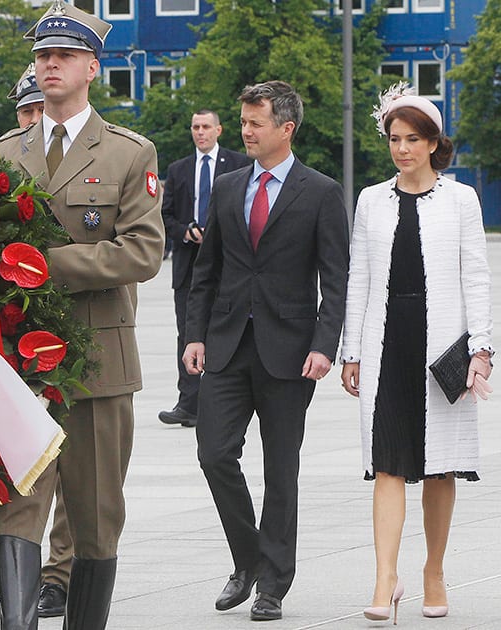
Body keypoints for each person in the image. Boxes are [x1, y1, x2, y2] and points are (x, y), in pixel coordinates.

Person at [0, 3, 164, 628]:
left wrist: (44, 264)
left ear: (92, 67)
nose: (50, 64)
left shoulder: (127, 152)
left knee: (95, 517)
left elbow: (144, 252)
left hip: (97, 361)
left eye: (62, 55)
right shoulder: (3, 154)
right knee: (16, 509)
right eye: (41, 55)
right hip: (19, 364)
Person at [183, 81, 349, 621]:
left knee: (281, 471)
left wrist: (326, 345)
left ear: (286, 128)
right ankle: (249, 558)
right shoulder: (228, 188)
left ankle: (273, 583)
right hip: (228, 347)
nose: (246, 132)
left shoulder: (321, 192)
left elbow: (336, 278)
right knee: (213, 455)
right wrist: (195, 334)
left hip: (290, 354)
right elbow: (206, 272)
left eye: (256, 123)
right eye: (244, 122)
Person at [340, 85, 494, 623]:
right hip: (387, 342)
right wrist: (350, 351)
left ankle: (433, 570)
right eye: (393, 139)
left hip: (443, 347)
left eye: (412, 139)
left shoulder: (462, 200)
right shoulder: (369, 200)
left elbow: (476, 276)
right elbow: (358, 277)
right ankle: (385, 578)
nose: (401, 149)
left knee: (438, 469)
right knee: (387, 462)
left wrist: (482, 347)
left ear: (432, 143)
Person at [0, 62, 71, 622]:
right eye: (27, 109)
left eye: (42, 107)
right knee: (14, 459)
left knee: (68, 464)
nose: (35, 117)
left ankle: (58, 574)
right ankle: (7, 576)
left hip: (72, 322)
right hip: (10, 331)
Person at [158, 110, 250, 428]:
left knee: (227, 331)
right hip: (188, 263)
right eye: (195, 127)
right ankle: (189, 403)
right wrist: (185, 230)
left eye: (206, 127)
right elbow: (166, 215)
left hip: (229, 264)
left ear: (219, 130)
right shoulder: (178, 169)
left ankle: (225, 401)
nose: (200, 132)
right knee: (188, 331)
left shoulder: (240, 165)